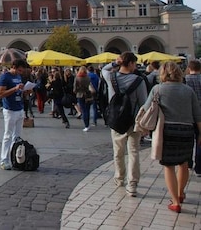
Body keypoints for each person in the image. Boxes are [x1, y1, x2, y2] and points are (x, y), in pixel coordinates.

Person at [141, 62, 201, 213]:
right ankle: (181, 193)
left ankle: (175, 202)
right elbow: (197, 115)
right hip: (187, 131)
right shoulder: (188, 91)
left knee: (169, 165)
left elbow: (146, 108)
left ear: (163, 73)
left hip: (167, 131)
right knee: (184, 163)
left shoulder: (158, 89)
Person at [102, 51, 148, 197]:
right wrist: (144, 125)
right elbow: (143, 103)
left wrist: (115, 63)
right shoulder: (138, 81)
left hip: (116, 120)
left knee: (118, 152)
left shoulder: (111, 77)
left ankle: (119, 177)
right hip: (133, 122)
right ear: (131, 63)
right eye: (134, 63)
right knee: (134, 152)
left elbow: (104, 69)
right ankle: (132, 184)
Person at [0, 59, 30, 170]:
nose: (21, 73)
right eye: (20, 70)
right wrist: (15, 88)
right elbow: (0, 94)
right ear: (14, 67)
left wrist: (25, 91)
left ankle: (14, 158)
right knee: (8, 136)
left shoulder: (19, 77)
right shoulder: (5, 77)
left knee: (17, 137)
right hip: (10, 110)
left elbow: (18, 91)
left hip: (19, 109)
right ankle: (4, 160)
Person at [184, 59, 201, 177]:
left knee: (189, 140)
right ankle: (199, 167)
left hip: (189, 114)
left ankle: (188, 163)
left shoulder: (185, 80)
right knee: (200, 139)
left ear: (189, 68)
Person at [74, 66, 95, 132]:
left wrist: (76, 91)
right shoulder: (88, 77)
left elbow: (74, 88)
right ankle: (88, 124)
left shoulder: (77, 78)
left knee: (83, 110)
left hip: (80, 95)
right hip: (88, 94)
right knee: (87, 110)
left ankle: (86, 125)